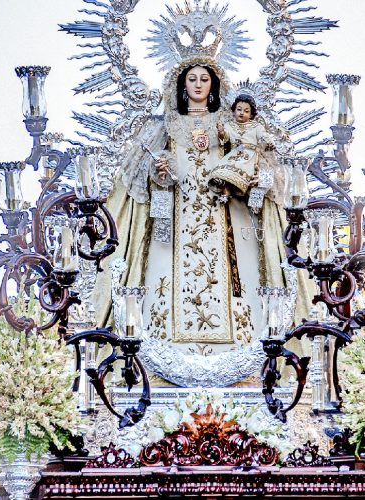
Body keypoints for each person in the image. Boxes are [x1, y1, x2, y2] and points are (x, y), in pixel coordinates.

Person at [91, 49, 310, 388]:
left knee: (233, 281)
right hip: (175, 223)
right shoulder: (167, 127)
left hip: (222, 215)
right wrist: (159, 172)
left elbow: (250, 158)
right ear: (181, 85)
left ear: (215, 85)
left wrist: (241, 178)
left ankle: (238, 355)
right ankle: (166, 352)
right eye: (192, 79)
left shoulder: (227, 126)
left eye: (204, 79)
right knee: (167, 278)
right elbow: (145, 179)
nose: (198, 84)